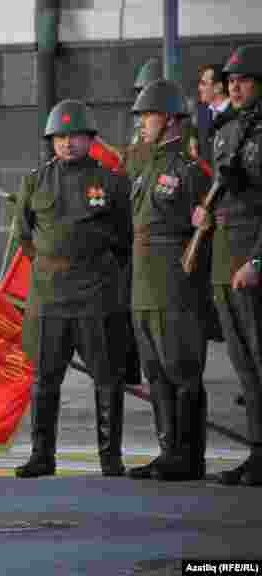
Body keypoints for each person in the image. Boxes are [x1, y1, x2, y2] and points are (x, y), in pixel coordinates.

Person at [13, 100, 132, 479]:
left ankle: (110, 458)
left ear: (90, 139)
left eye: (74, 136)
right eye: (59, 137)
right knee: (44, 379)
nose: (66, 143)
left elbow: (124, 238)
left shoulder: (111, 182)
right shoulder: (35, 180)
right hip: (49, 296)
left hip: (96, 294)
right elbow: (24, 236)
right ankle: (41, 455)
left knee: (107, 378)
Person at [122, 80, 211, 482]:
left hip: (175, 283)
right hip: (144, 282)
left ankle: (189, 457)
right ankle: (168, 451)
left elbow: (205, 229)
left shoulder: (188, 169)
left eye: (148, 115)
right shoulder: (147, 166)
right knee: (155, 372)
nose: (141, 122)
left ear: (172, 120)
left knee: (181, 368)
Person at [193, 45, 262, 486]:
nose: (234, 86)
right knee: (245, 366)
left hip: (252, 258)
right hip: (225, 260)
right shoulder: (225, 132)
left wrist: (258, 259)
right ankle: (258, 451)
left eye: (245, 79)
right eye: (230, 80)